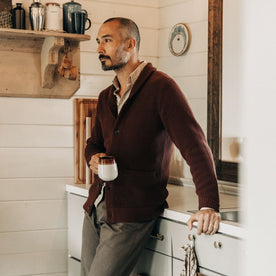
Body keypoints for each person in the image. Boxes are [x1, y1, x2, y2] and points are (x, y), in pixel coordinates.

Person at [81, 17, 221, 276]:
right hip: (97, 206)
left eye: (107, 41)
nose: (99, 49)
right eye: (99, 42)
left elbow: (195, 146)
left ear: (130, 44)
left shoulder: (162, 88)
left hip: (132, 212)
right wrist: (93, 157)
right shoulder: (105, 97)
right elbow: (93, 143)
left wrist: (208, 204)